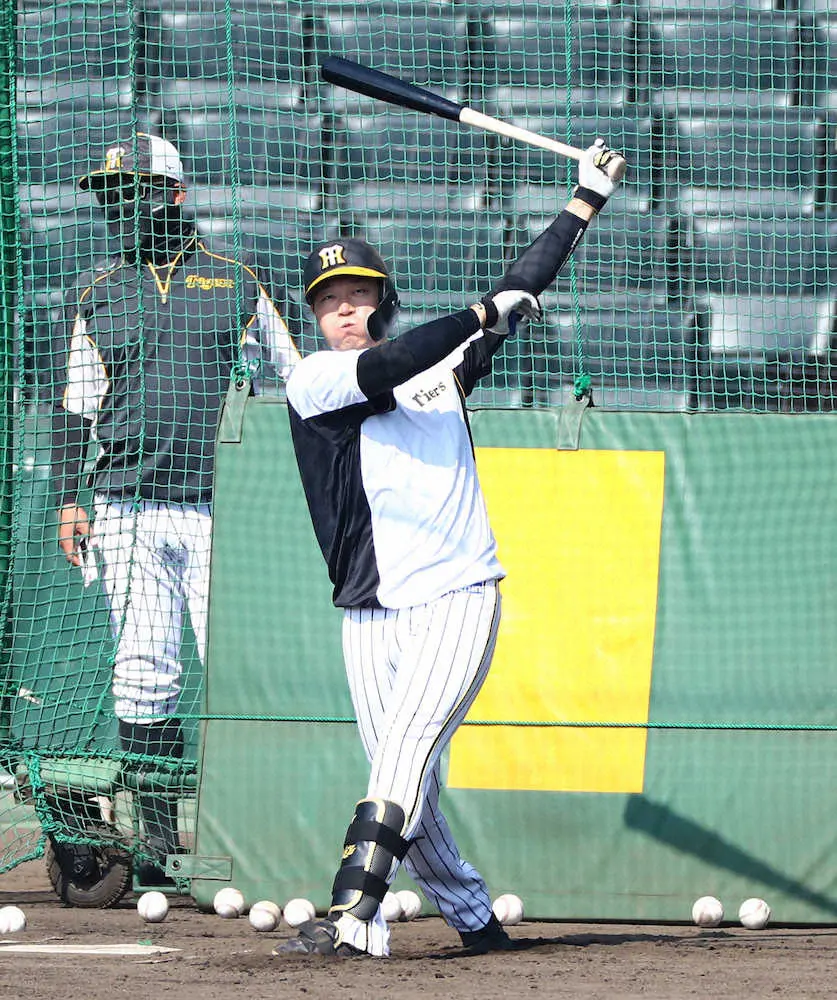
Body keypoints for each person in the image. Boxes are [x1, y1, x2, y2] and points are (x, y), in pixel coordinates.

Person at [279, 139, 626, 957]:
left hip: (457, 595)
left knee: (402, 755)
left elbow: (520, 284)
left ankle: (351, 918)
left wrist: (583, 201)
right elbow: (400, 358)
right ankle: (473, 920)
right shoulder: (314, 380)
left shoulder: (442, 373)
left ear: (384, 301)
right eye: (329, 302)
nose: (345, 311)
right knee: (410, 790)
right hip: (369, 611)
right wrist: (480, 313)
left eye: (360, 295)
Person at [50, 132, 300, 885]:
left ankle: (260, 836)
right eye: (111, 197)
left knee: (237, 668)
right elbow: (75, 405)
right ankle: (159, 847)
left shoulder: (238, 281)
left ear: (176, 194)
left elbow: (298, 384)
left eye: (135, 193)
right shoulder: (95, 290)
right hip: (125, 505)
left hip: (225, 509)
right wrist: (67, 498)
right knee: (142, 672)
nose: (121, 208)